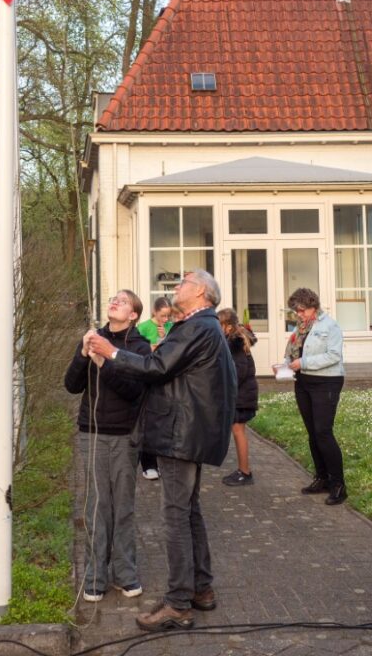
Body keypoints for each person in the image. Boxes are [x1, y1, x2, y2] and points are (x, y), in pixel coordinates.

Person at [88, 270, 236, 632]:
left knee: (175, 517)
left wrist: (112, 353)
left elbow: (155, 367)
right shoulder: (204, 327)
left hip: (180, 435)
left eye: (182, 283)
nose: (175, 289)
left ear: (200, 292)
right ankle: (201, 589)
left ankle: (178, 603)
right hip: (190, 433)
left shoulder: (198, 327)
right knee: (189, 512)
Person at [64, 290, 151, 603]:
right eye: (114, 298)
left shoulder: (139, 347)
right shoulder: (92, 338)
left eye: (124, 301)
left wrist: (105, 361)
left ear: (133, 315)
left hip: (125, 435)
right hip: (91, 433)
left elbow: (133, 391)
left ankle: (126, 574)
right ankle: (95, 576)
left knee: (123, 507)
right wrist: (83, 356)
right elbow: (71, 385)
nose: (115, 301)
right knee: (96, 506)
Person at [281, 287, 346, 505]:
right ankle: (322, 478)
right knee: (312, 433)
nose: (298, 314)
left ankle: (338, 485)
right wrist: (284, 366)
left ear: (313, 307)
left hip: (326, 381)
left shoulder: (330, 326)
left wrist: (305, 363)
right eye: (296, 311)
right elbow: (293, 352)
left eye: (301, 310)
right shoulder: (300, 328)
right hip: (304, 382)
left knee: (323, 432)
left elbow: (334, 356)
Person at [136, 296, 177, 480]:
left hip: (165, 380)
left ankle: (165, 461)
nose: (166, 320)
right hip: (147, 379)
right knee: (147, 421)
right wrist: (155, 345)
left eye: (168, 316)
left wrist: (164, 338)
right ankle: (148, 464)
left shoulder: (171, 328)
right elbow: (137, 352)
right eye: (163, 315)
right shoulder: (143, 328)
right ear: (154, 312)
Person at [218, 308, 258, 486]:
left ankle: (245, 472)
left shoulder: (235, 344)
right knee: (237, 431)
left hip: (241, 396)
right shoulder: (234, 341)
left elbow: (238, 372)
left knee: (238, 431)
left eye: (219, 326)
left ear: (227, 326)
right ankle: (243, 470)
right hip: (241, 394)